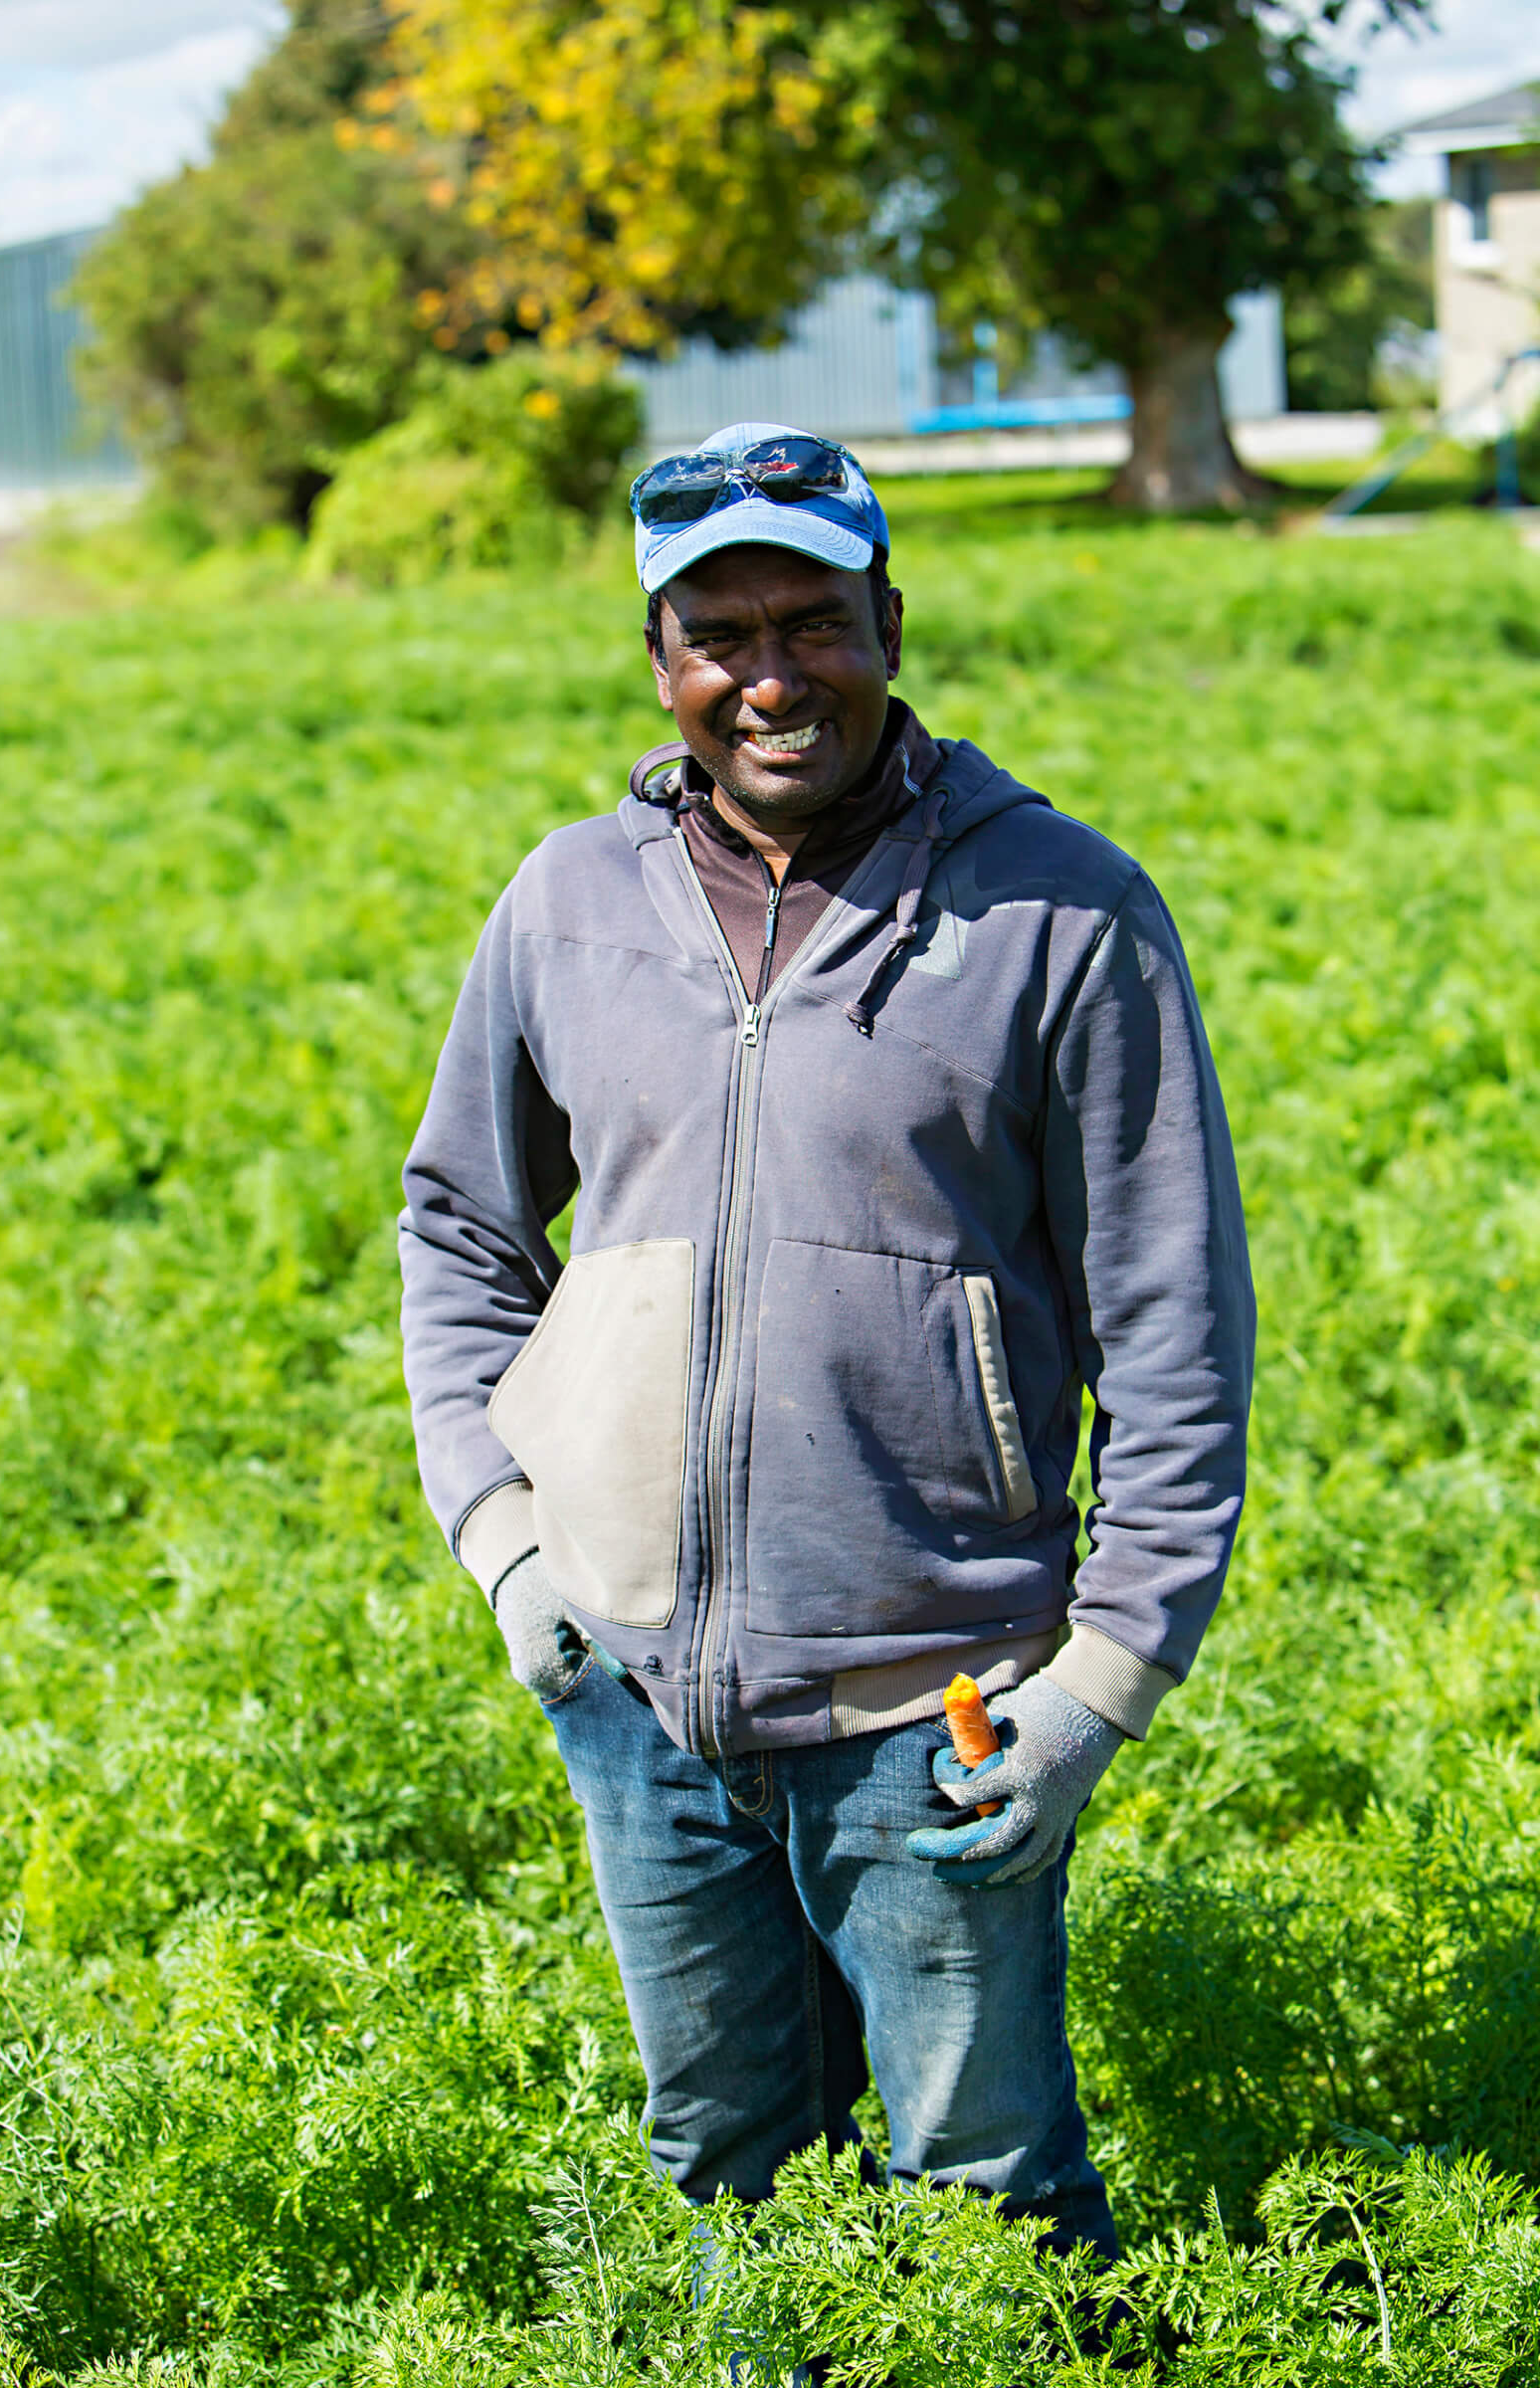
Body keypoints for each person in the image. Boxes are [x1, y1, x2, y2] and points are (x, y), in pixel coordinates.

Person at [399, 422, 1255, 2257]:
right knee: (725, 2176)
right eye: (720, 633)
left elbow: (1173, 1325)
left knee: (986, 2194)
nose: (770, 676)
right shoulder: (563, 903)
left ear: (889, 622)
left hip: (935, 1699)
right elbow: (461, 1225)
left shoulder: (1065, 914)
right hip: (635, 1689)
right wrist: (506, 1540)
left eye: (815, 620)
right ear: (662, 661)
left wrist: (1102, 1687)